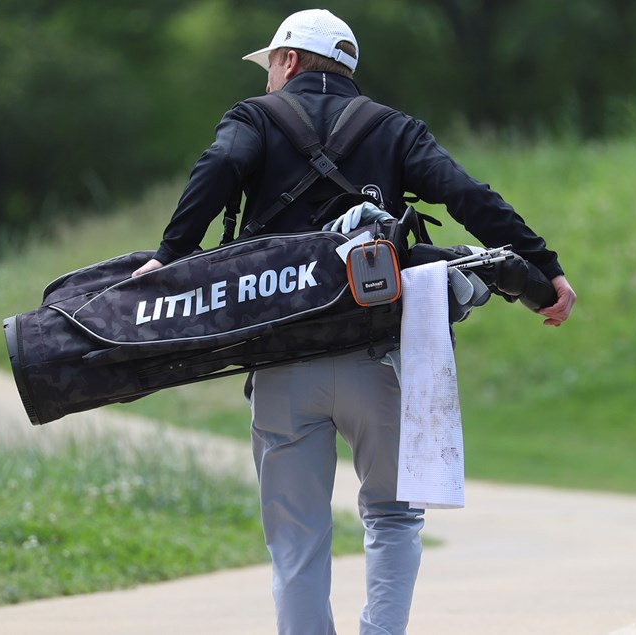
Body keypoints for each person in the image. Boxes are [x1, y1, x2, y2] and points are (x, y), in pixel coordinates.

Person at [132, 9, 576, 634]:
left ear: (288, 61)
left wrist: (169, 254)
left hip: (284, 364)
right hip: (379, 357)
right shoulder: (393, 129)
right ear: (344, 68)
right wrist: (545, 268)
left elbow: (220, 167)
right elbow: (467, 196)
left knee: (297, 539)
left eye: (271, 67)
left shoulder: (255, 119)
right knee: (393, 518)